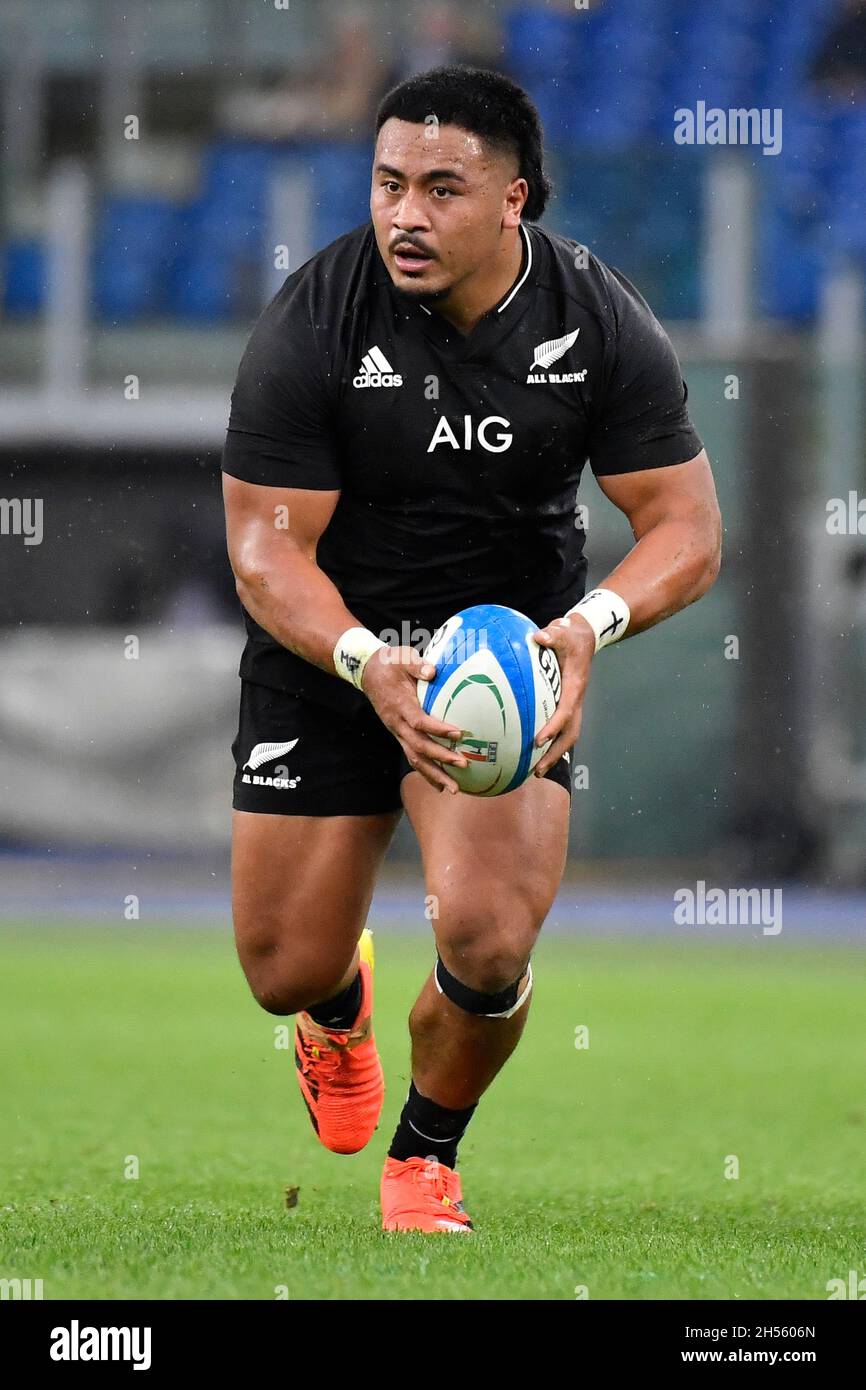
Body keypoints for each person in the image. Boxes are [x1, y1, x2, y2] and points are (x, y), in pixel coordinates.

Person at [221, 65, 722, 1234]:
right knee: (277, 971)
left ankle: (423, 1158)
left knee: (488, 939)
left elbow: (687, 529)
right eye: (388, 182)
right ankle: (336, 1002)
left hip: (495, 657)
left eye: (441, 188)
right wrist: (358, 659)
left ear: (515, 200)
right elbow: (261, 552)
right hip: (330, 647)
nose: (404, 213)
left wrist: (587, 629)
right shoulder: (312, 318)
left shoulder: (594, 320)